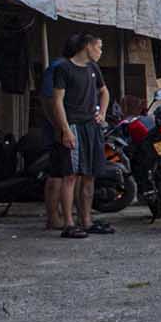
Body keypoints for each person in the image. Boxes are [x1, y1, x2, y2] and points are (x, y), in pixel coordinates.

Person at [43, 32, 111, 240]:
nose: (101, 51)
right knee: (69, 175)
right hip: (73, 125)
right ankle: (68, 223)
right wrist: (64, 129)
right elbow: (56, 101)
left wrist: (102, 113)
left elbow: (104, 91)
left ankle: (87, 220)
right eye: (99, 47)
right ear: (87, 47)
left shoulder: (93, 68)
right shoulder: (63, 68)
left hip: (91, 126)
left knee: (89, 175)